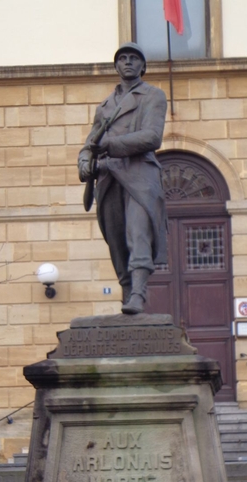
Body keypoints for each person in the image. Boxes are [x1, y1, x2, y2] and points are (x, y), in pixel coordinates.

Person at [78, 42, 167, 314]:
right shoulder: (104, 106)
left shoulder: (153, 95)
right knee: (116, 241)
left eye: (134, 58)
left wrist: (110, 145)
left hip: (139, 175)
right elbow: (90, 142)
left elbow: (153, 136)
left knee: (138, 233)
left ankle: (139, 295)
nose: (128, 62)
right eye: (122, 58)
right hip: (108, 177)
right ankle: (127, 294)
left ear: (143, 66)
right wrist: (84, 161)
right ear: (116, 66)